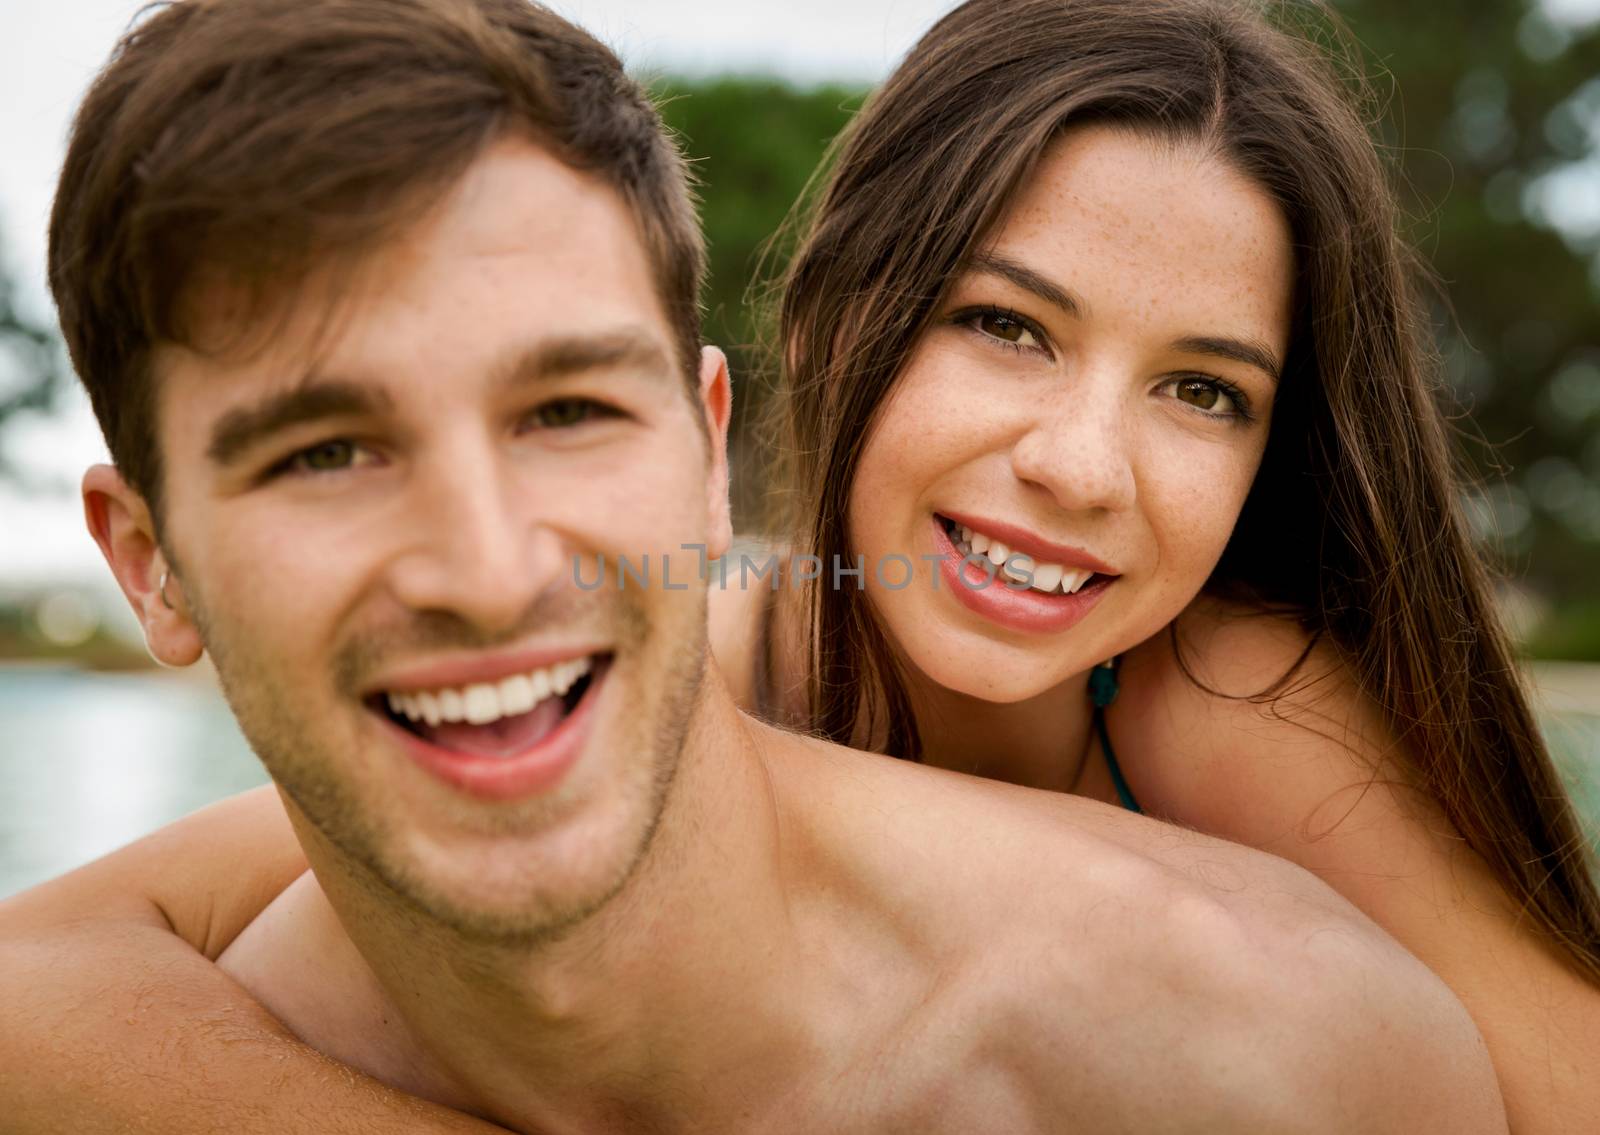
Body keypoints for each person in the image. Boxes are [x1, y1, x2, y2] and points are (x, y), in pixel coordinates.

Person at [0, 0, 1538, 1129]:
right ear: (831, 328)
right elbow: (45, 967)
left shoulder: (1229, 710)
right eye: (1004, 325)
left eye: (1206, 390)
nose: (1082, 463)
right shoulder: (701, 639)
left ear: (704, 428)